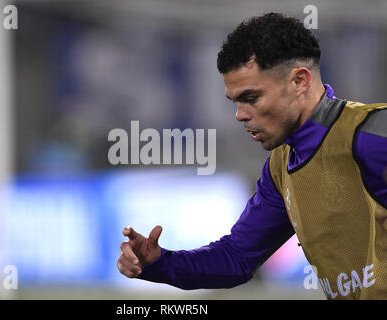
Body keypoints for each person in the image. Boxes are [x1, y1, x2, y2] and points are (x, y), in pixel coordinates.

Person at [117, 12, 387, 300]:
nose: (240, 115)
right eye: (235, 101)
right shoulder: (281, 167)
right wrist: (159, 264)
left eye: (251, 98)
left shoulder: (373, 136)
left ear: (299, 81)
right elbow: (237, 258)